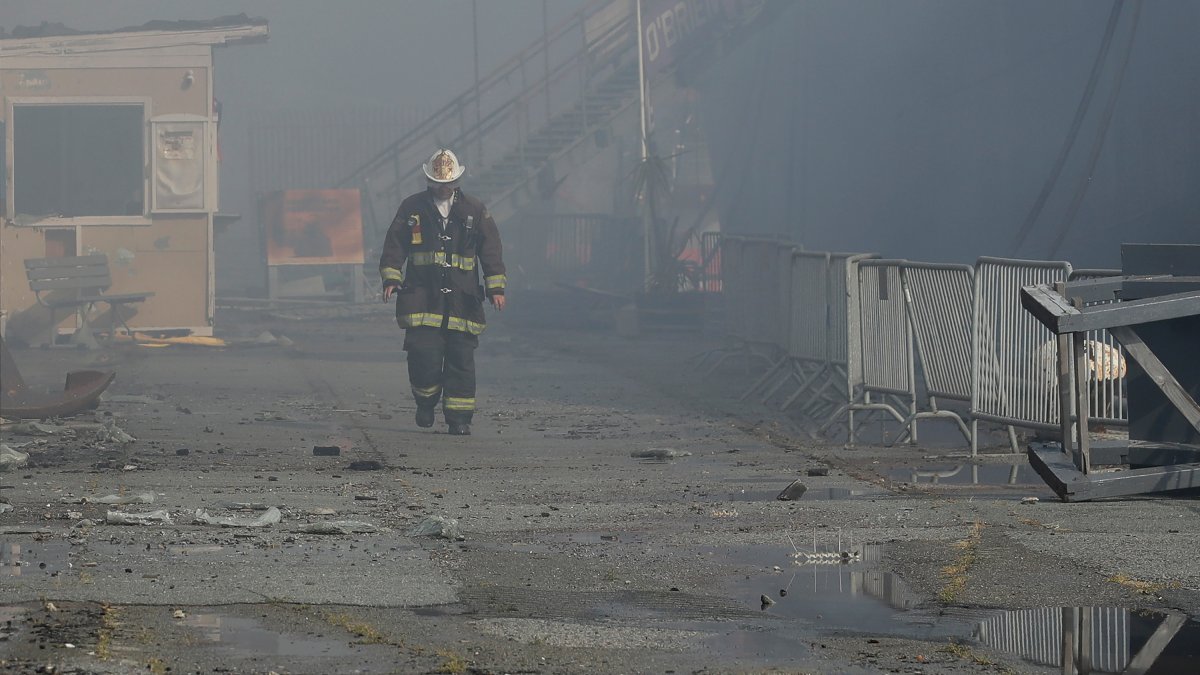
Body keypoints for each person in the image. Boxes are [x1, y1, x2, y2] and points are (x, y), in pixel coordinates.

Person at [379, 149, 506, 435]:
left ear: (457, 181)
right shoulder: (412, 209)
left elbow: (491, 250)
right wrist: (391, 277)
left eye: (448, 183)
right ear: (430, 181)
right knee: (424, 356)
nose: (443, 187)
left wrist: (496, 287)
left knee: (462, 361)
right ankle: (425, 403)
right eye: (438, 182)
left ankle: (459, 419)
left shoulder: (474, 210)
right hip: (422, 296)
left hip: (464, 300)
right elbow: (394, 245)